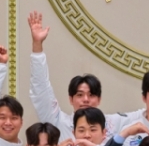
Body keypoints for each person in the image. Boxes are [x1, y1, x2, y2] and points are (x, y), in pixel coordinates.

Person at [26, 10, 127, 139]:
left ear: (99, 99)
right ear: (70, 99)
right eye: (79, 95)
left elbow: (146, 115)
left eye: (91, 95)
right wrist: (37, 46)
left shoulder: (113, 125)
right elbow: (41, 91)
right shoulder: (58, 123)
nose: (85, 99)